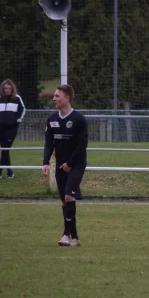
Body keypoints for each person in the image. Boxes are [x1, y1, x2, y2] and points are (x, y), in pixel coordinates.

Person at [41, 85, 88, 247]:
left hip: (77, 164)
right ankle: (74, 237)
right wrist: (45, 162)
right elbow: (48, 143)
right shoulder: (52, 120)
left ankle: (65, 235)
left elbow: (82, 146)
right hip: (60, 165)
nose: (53, 99)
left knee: (68, 196)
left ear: (67, 98)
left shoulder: (79, 119)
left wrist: (70, 163)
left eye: (57, 96)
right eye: (54, 96)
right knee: (65, 201)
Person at [0, 79, 26, 179]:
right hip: (0, 128)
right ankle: (9, 172)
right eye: (5, 88)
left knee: (5, 149)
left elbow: (23, 109)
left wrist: (16, 120)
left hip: (11, 129)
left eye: (9, 88)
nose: (7, 90)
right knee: (4, 150)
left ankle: (7, 171)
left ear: (12, 89)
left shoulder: (17, 98)